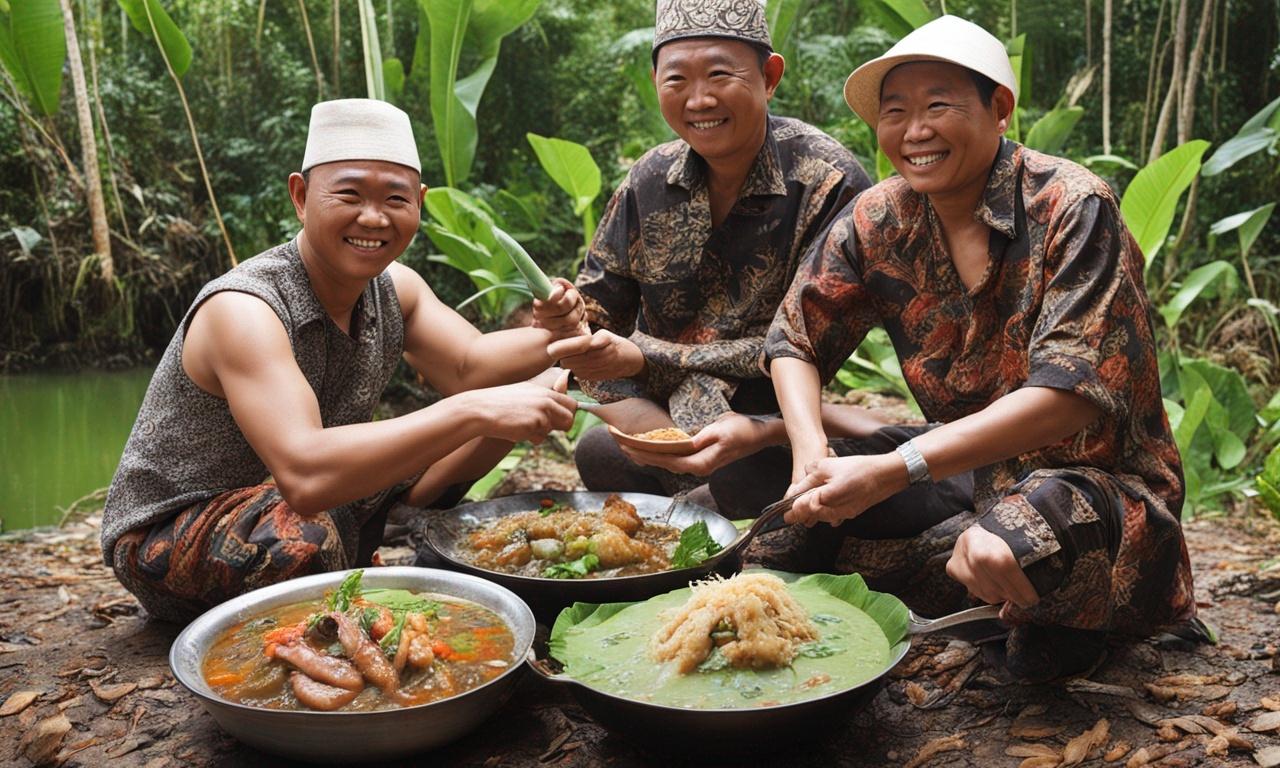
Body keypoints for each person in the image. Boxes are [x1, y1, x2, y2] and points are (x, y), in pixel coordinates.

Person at [755, 15, 1202, 682]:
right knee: (782, 527)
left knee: (1029, 618)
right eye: (895, 112)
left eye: (938, 105)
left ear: (999, 108)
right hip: (968, 476)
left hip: (1099, 487)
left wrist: (895, 468)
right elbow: (794, 337)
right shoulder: (881, 217)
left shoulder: (1073, 206)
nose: (914, 131)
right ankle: (958, 574)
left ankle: (1046, 601)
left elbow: (1067, 397)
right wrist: (810, 455)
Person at [101, 99, 583, 623]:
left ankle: (360, 561)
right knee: (303, 534)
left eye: (396, 198)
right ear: (301, 197)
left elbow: (470, 365)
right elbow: (305, 475)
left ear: (418, 203)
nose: (374, 218)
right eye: (349, 194)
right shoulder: (242, 309)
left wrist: (555, 335)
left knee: (511, 403)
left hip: (307, 502)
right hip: (176, 532)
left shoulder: (396, 290)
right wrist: (474, 410)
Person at [548, 0, 881, 518]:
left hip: (768, 433)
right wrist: (566, 317)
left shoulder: (830, 183)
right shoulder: (648, 181)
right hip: (660, 416)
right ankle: (694, 511)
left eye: (720, 75)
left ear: (769, 76)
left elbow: (803, 348)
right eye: (677, 79)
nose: (699, 99)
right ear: (655, 78)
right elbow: (596, 324)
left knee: (741, 489)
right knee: (599, 452)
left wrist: (645, 355)